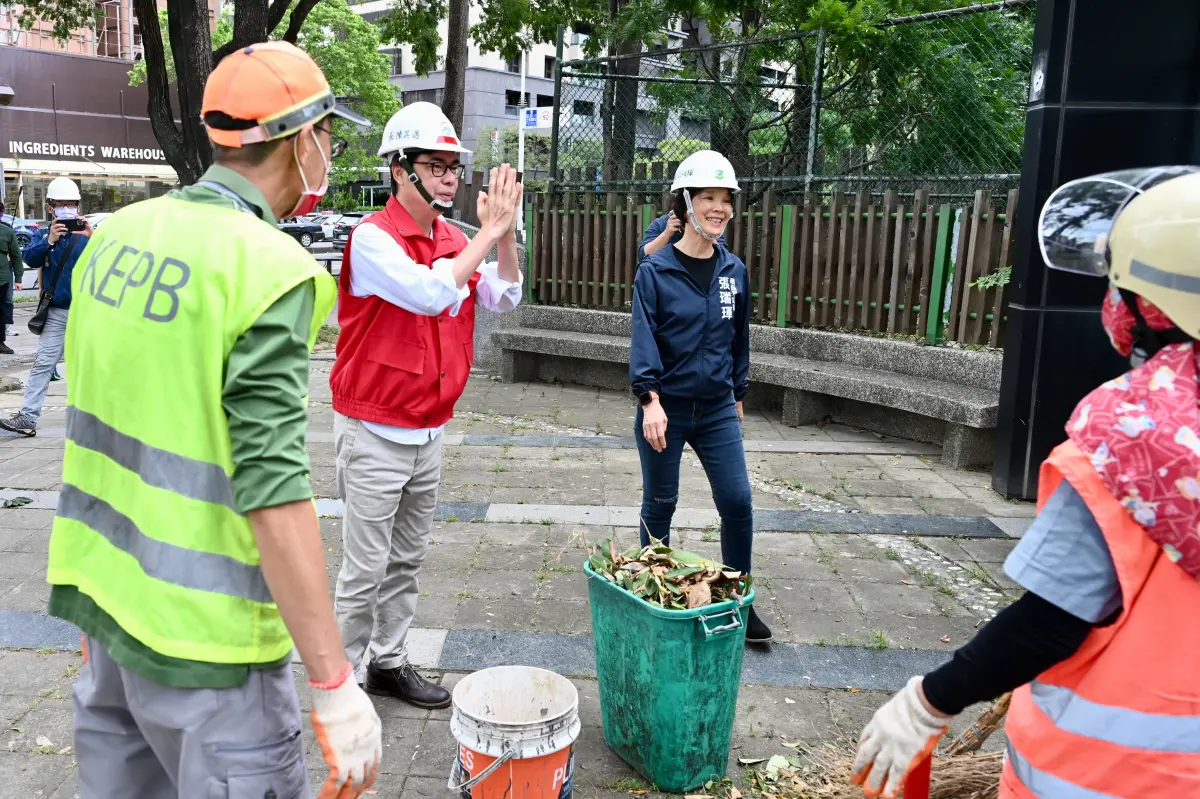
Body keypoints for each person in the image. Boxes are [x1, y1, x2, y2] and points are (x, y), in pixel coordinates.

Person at [44, 41, 382, 798]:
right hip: (212, 658)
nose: (328, 150)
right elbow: (274, 486)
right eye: (328, 134)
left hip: (107, 627)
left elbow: (95, 420)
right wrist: (333, 682)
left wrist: (95, 617)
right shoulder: (268, 269)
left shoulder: (115, 239)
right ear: (300, 140)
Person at [850, 166, 1200, 799]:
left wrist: (929, 701)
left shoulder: (1132, 440)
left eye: (1118, 285)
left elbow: (1050, 623)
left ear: (1150, 306)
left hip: (1110, 777)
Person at [330, 102, 525, 708]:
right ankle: (342, 680)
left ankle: (388, 662)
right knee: (364, 569)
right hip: (373, 429)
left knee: (407, 559)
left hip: (429, 429)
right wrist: (488, 236)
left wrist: (506, 234)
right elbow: (430, 292)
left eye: (452, 169)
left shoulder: (454, 239)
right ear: (400, 169)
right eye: (435, 167)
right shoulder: (372, 239)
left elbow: (505, 296)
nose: (448, 178)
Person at [629, 150, 771, 645]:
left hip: (715, 408)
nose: (719, 208)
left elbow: (740, 337)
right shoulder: (656, 270)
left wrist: (738, 391)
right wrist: (649, 400)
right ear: (686, 203)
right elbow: (643, 336)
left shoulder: (734, 269)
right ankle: (652, 592)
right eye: (708, 198)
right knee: (660, 503)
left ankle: (739, 597)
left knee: (737, 500)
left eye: (726, 199)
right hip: (665, 408)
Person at [0, 178, 89, 434]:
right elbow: (30, 257)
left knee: (90, 366)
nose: (66, 209)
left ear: (77, 205)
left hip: (87, 312)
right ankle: (28, 417)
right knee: (43, 364)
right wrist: (49, 240)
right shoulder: (43, 235)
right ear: (50, 207)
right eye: (60, 205)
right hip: (56, 312)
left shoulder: (87, 234)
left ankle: (96, 419)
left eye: (70, 204)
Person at [638, 202, 726, 262]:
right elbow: (643, 255)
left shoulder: (709, 226)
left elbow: (723, 257)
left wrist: (705, 233)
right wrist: (666, 234)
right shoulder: (661, 223)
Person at [0, 201, 23, 355]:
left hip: (2, 279)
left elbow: (16, 256)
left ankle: (0, 342)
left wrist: (19, 278)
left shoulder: (7, 232)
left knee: (1, 310)